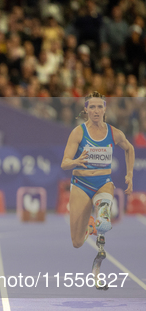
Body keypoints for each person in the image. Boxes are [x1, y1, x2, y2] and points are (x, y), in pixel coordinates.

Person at [61, 91, 135, 289]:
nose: (95, 110)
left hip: (104, 183)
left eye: (99, 106)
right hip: (81, 184)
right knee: (76, 242)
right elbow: (64, 163)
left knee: (104, 219)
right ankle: (90, 227)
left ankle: (99, 222)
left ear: (105, 109)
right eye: (91, 107)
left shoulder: (114, 133)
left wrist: (129, 174)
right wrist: (76, 161)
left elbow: (129, 149)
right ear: (85, 109)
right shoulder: (78, 132)